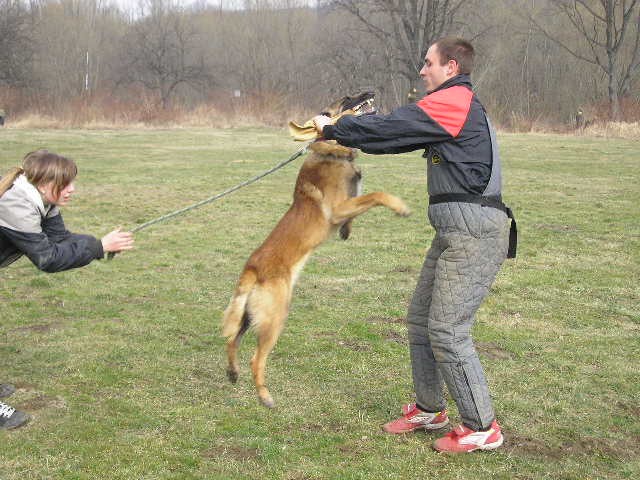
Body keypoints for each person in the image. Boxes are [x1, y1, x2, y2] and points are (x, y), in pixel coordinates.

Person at [313, 37, 516, 453]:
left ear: (452, 67)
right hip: (453, 231)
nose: (422, 70)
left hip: (475, 233)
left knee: (447, 330)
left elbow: (395, 125)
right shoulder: (448, 106)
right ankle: (431, 409)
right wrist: (345, 137)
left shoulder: (455, 99)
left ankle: (482, 427)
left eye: (429, 63)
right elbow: (396, 138)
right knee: (421, 320)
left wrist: (336, 127)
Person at [0, 149, 134, 429]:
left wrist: (99, 246)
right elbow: (48, 259)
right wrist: (99, 246)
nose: (72, 189)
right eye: (67, 183)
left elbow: (61, 240)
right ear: (45, 183)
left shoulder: (42, 200)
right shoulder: (17, 204)